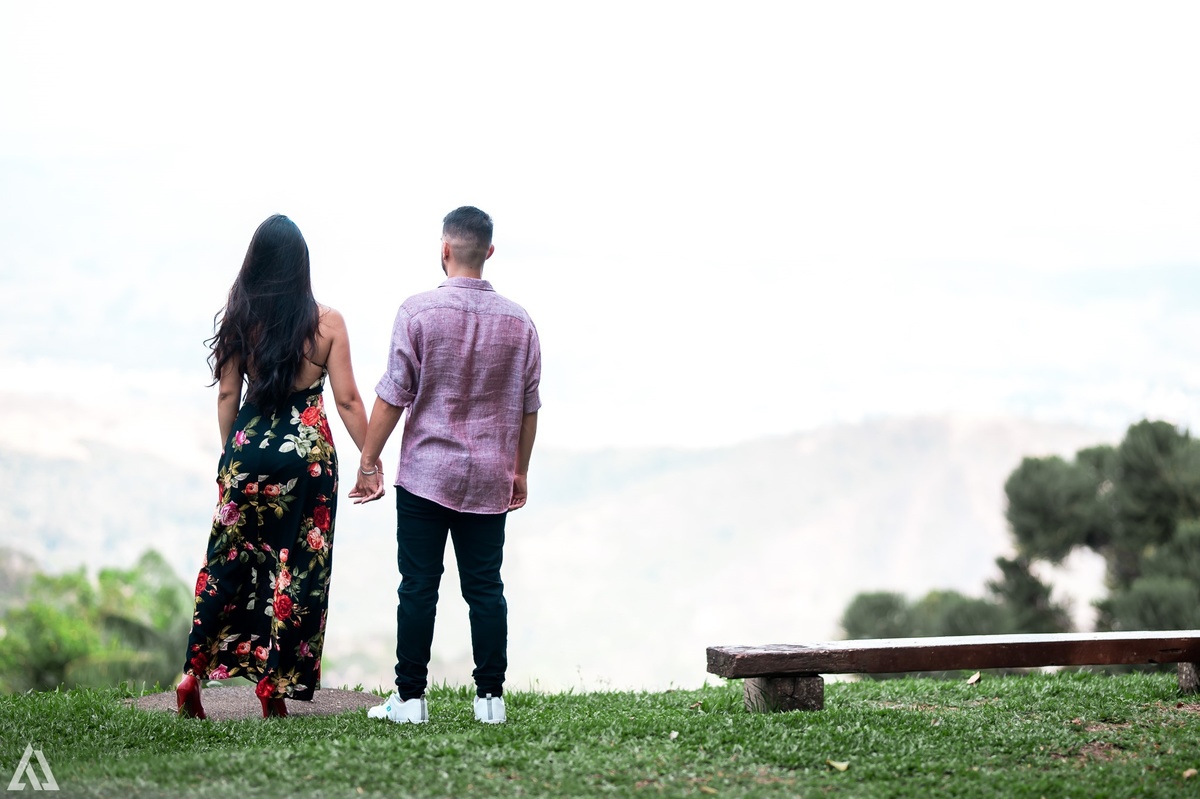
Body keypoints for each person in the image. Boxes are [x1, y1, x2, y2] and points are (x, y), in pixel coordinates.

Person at [177, 214, 378, 720]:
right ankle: (274, 687)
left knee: (226, 564)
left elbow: (227, 394)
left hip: (247, 453)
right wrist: (370, 461)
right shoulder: (327, 324)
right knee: (297, 571)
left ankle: (191, 675)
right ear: (301, 267)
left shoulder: (240, 319)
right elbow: (348, 400)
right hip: (305, 464)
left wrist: (232, 460)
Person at [351, 206, 541, 725]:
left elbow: (393, 395)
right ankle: (490, 701)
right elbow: (529, 407)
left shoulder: (417, 313)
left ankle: (410, 700)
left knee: (418, 586)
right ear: (489, 252)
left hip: (426, 476)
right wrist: (519, 471)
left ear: (444, 249)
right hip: (489, 478)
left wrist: (369, 460)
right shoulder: (520, 323)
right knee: (486, 589)